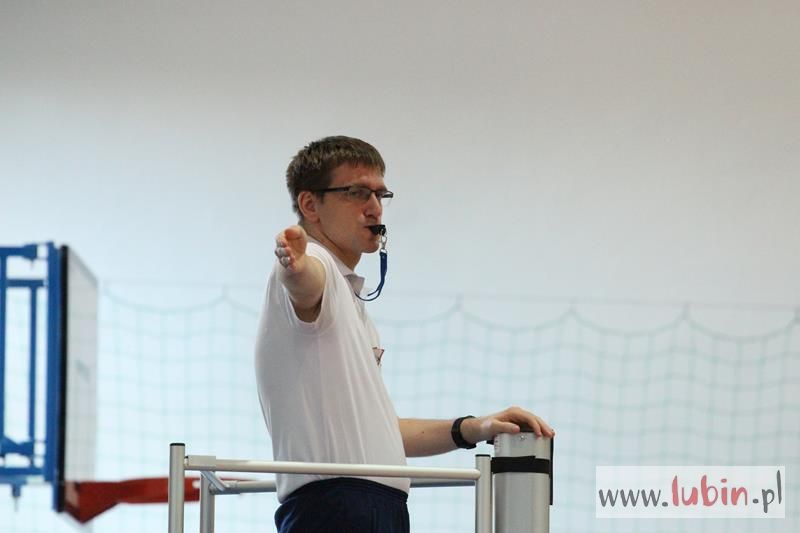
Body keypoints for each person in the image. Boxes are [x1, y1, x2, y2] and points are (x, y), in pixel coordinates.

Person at [255, 136, 555, 533]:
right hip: (337, 507)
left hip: (377, 504)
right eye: (357, 193)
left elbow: (383, 431)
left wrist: (472, 428)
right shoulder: (317, 263)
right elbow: (304, 282)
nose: (375, 207)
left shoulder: (349, 298)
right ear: (311, 205)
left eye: (380, 194)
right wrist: (293, 267)